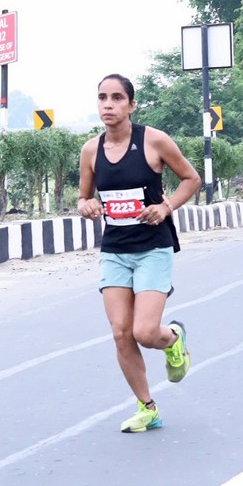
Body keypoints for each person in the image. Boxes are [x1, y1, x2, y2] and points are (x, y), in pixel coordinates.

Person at [79, 73, 200, 431]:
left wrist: (166, 207)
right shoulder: (91, 150)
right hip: (115, 250)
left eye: (117, 98)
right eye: (103, 97)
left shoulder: (154, 141)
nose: (108, 105)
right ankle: (147, 407)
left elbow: (192, 178)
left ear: (132, 105)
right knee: (121, 332)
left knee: (145, 332)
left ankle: (173, 339)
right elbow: (84, 197)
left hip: (152, 248)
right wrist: (86, 205)